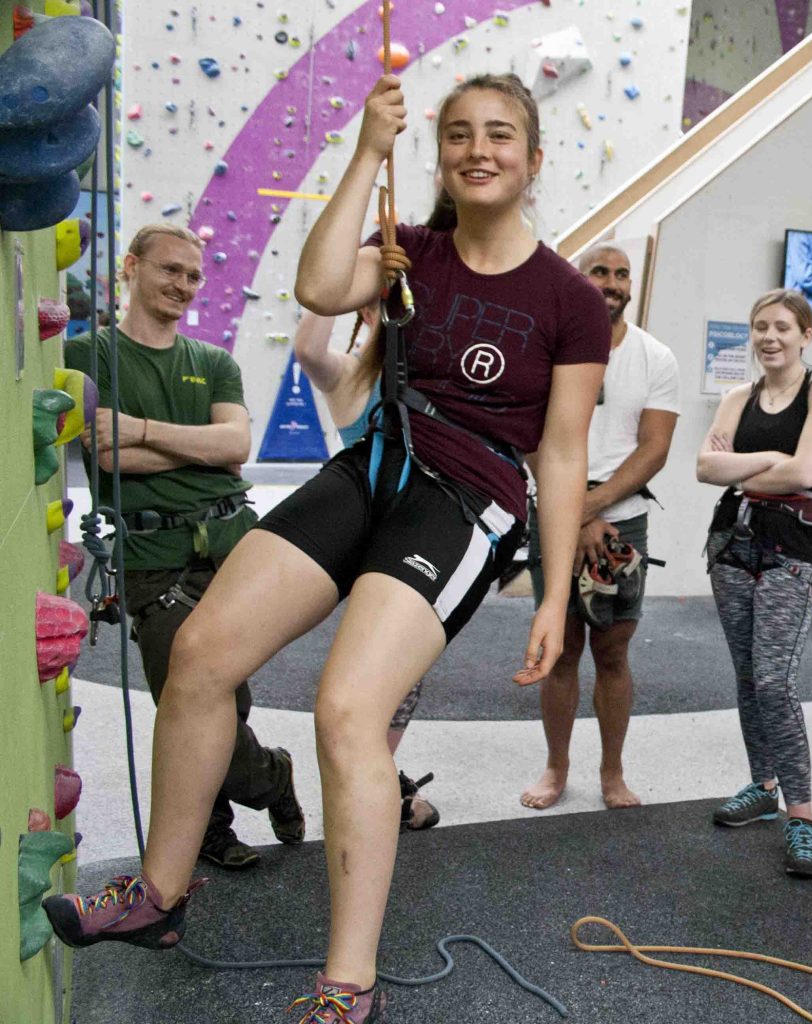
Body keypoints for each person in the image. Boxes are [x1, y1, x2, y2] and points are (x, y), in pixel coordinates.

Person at [46, 72, 609, 1024]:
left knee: (348, 712)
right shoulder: (409, 251)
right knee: (198, 655)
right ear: (437, 151)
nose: (479, 148)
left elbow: (560, 454)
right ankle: (159, 896)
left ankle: (349, 988)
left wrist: (553, 595)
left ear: (534, 158)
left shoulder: (567, 298)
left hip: (468, 500)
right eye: (460, 132)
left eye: (501, 134)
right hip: (373, 466)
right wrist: (364, 152)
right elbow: (314, 286)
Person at [64, 223, 308, 872]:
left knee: (231, 700)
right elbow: (103, 453)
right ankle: (255, 792)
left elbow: (234, 448)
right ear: (131, 268)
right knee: (195, 706)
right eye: (169, 270)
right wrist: (192, 448)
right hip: (153, 561)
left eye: (193, 276)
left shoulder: (214, 363)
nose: (182, 285)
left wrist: (140, 432)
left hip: (232, 550)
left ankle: (252, 786)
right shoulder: (89, 357)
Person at [520, 243, 680, 811]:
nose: (611, 282)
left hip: (625, 524)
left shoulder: (655, 357)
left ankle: (612, 773)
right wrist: (571, 511)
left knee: (613, 655)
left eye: (620, 273)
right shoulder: (546, 350)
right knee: (559, 654)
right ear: (577, 279)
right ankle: (556, 770)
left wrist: (590, 507)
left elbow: (654, 449)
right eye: (599, 271)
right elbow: (531, 439)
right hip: (554, 517)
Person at [696, 288, 812, 879]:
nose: (769, 337)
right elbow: (705, 469)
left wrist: (744, 466)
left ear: (806, 335)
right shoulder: (737, 396)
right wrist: (771, 460)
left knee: (775, 682)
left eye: (783, 327)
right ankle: (762, 784)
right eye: (760, 327)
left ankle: (802, 817)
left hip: (791, 553)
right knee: (747, 679)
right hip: (733, 545)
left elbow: (808, 471)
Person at [292, 306, 438, 831]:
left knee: (405, 673)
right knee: (376, 671)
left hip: (428, 541)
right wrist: (330, 291)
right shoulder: (354, 374)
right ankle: (374, 782)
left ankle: (380, 775)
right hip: (374, 539)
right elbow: (308, 351)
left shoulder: (433, 376)